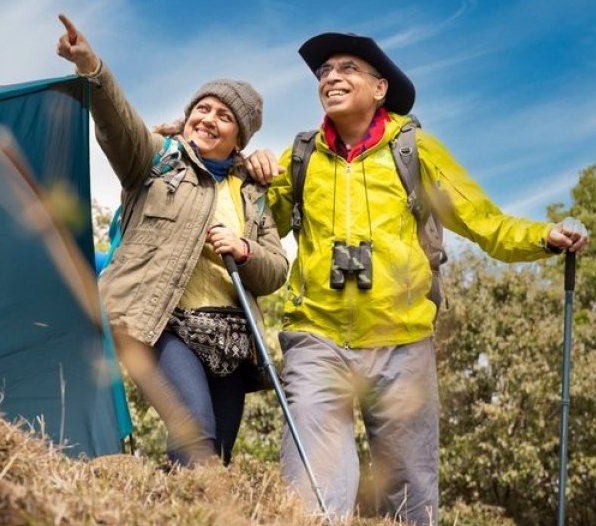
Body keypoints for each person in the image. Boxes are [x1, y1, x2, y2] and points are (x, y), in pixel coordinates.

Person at [243, 32, 590, 523]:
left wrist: (544, 235)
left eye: (346, 69)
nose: (331, 78)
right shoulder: (299, 157)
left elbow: (483, 220)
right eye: (324, 73)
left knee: (409, 497)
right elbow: (259, 229)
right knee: (312, 493)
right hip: (317, 340)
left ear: (380, 88)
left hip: (402, 345)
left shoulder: (414, 149)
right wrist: (251, 176)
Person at [56, 14, 289, 467]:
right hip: (162, 324)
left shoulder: (251, 194)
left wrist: (244, 250)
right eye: (203, 108)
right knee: (194, 434)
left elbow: (277, 269)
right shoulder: (156, 162)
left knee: (216, 456)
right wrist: (92, 69)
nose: (208, 119)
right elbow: (118, 122)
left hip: (233, 341)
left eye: (224, 116)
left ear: (239, 137)